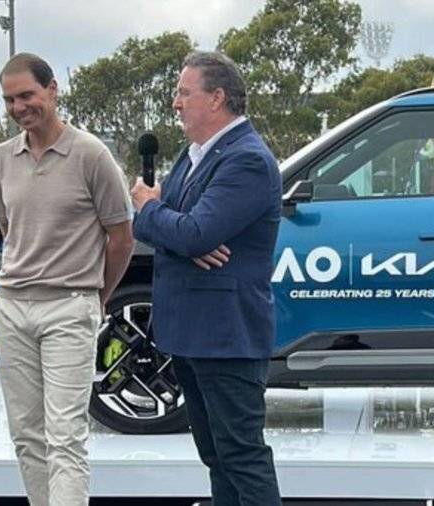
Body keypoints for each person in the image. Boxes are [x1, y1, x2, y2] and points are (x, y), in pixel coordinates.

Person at [131, 51, 282, 506]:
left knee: (241, 455)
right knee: (216, 456)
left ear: (216, 98)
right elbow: (166, 232)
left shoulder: (247, 160)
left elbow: (189, 230)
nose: (175, 103)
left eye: (184, 92)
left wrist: (157, 212)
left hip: (226, 334)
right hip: (191, 333)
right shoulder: (193, 155)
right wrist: (180, 233)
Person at [0, 52, 134, 506]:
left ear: (52, 90)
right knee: (27, 436)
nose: (18, 108)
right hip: (11, 308)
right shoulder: (0, 159)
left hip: (70, 306)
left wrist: (97, 296)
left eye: (26, 95)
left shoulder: (91, 155)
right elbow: (9, 229)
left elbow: (121, 238)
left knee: (65, 436)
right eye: (9, 100)